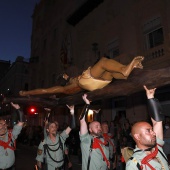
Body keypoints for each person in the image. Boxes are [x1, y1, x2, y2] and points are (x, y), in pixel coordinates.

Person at [19, 56, 144, 96]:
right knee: (103, 61)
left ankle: (126, 74)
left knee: (110, 72)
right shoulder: (74, 81)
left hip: (97, 84)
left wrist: (27, 93)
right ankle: (124, 70)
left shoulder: (67, 88)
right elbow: (45, 90)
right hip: (88, 82)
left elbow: (44, 90)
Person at [126, 85, 169, 169]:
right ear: (137, 136)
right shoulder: (134, 163)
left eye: (152, 130)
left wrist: (150, 98)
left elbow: (157, 122)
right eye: (148, 131)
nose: (153, 133)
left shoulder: (158, 148)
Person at [35, 106, 76, 170]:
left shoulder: (61, 137)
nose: (54, 128)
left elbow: (72, 126)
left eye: (55, 127)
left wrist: (72, 112)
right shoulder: (43, 143)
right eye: (52, 127)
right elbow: (39, 160)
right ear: (48, 130)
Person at [79, 94, 110, 170]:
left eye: (100, 126)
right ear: (90, 130)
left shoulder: (102, 140)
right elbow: (82, 121)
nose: (99, 128)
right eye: (96, 127)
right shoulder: (86, 140)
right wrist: (87, 104)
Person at [0, 102, 25, 170]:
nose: (3, 126)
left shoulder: (11, 135)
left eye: (5, 124)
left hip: (11, 168)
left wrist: (18, 109)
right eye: (1, 124)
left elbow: (21, 122)